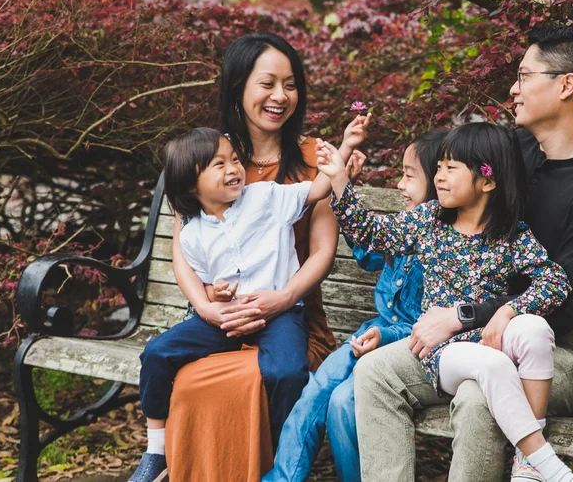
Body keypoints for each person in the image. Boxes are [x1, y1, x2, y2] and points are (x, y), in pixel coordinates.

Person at [353, 25, 573, 482]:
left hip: (565, 353)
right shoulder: (515, 154)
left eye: (525, 76)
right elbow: (454, 189)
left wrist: (464, 314)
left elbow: (569, 301)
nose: (514, 88)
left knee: (477, 395)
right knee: (374, 374)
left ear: (566, 84)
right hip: (476, 339)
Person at [321, 121, 573, 481]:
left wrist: (509, 309)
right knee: (372, 372)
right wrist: (339, 181)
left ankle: (540, 466)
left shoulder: (511, 236)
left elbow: (555, 280)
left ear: (488, 180)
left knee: (485, 383)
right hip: (437, 353)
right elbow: (373, 234)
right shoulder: (429, 220)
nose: (439, 176)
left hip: (481, 352)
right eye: (438, 167)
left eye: (451, 168)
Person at [129, 116, 368, 482]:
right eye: (218, 165)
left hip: (280, 313)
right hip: (228, 317)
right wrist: (215, 295)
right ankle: (156, 449)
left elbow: (317, 190)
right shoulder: (193, 234)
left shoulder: (266, 196)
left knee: (287, 371)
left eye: (234, 160)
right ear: (191, 185)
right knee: (158, 353)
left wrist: (345, 148)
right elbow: (207, 284)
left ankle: (277, 451)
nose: (233, 169)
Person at [162, 33, 344, 482]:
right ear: (239, 87)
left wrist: (282, 299)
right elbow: (182, 246)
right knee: (189, 381)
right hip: (222, 322)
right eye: (267, 83)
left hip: (291, 324)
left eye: (291, 84)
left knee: (251, 379)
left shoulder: (310, 157)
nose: (280, 96)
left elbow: (323, 251)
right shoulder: (213, 156)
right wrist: (206, 306)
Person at [265, 128, 449, 482]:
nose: (399, 185)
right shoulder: (404, 225)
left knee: (344, 402)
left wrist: (387, 335)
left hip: (415, 348)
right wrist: (342, 183)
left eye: (409, 176)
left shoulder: (450, 241)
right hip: (374, 333)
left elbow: (439, 326)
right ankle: (282, 477)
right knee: (317, 390)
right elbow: (367, 253)